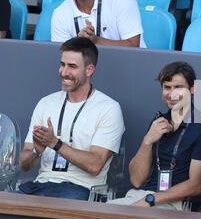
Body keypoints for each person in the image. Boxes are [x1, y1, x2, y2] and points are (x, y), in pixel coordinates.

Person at [18, 37, 125, 200]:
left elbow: (95, 165)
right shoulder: (46, 103)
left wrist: (55, 143)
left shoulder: (109, 108)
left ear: (89, 70)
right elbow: (24, 165)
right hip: (40, 184)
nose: (64, 72)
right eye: (62, 64)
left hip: (81, 189)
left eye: (72, 67)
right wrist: (36, 152)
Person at [109, 62, 201, 210]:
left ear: (193, 89)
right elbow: (136, 180)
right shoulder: (158, 122)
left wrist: (151, 200)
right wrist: (147, 141)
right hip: (142, 196)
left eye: (178, 87)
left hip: (177, 204)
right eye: (167, 87)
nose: (171, 94)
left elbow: (195, 185)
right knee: (102, 214)